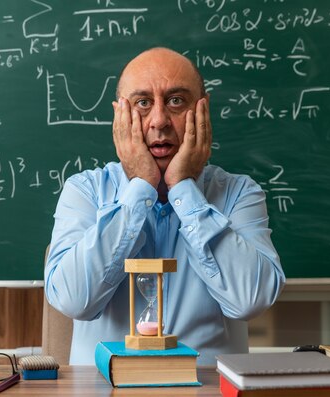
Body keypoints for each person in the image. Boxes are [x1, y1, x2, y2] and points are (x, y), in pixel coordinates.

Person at [44, 47, 285, 365]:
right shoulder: (84, 191)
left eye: (176, 101)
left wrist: (184, 190)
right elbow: (74, 301)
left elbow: (250, 301)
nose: (159, 121)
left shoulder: (240, 193)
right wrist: (140, 188)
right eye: (143, 103)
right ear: (120, 116)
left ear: (203, 110)